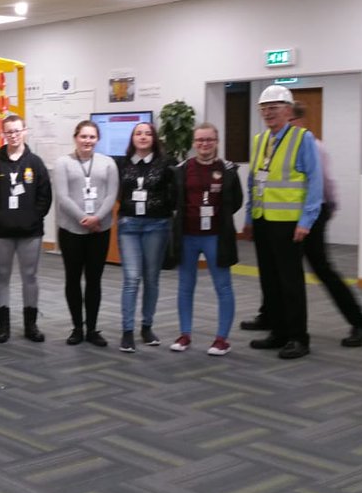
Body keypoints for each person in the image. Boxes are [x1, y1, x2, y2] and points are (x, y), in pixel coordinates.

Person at [288, 102, 362, 347]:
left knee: (322, 269)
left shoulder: (312, 146)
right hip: (294, 214)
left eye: (288, 121)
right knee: (284, 267)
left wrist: (328, 207)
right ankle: (273, 317)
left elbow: (324, 182)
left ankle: (361, 323)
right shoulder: (286, 146)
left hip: (313, 213)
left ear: (297, 121)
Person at [245, 85, 323, 360]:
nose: (268, 113)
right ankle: (277, 332)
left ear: (288, 111)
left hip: (290, 222)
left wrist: (307, 219)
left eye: (274, 108)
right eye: (264, 109)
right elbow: (254, 180)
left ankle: (298, 338)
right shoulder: (259, 140)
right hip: (263, 219)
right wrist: (249, 217)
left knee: (290, 282)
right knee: (270, 280)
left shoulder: (303, 139)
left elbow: (315, 181)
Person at [169, 124, 242, 355]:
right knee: (185, 287)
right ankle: (185, 334)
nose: (204, 144)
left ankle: (222, 339)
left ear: (216, 141)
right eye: (200, 140)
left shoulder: (228, 169)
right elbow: (174, 199)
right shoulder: (182, 169)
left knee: (223, 286)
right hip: (188, 236)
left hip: (216, 237)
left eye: (209, 140)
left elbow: (236, 201)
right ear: (193, 143)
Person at [0, 113, 53, 344]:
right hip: (1, 232)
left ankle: (31, 325)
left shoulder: (36, 163)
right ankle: (3, 326)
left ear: (25, 131)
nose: (13, 135)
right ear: (3, 134)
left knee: (29, 276)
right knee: (1, 276)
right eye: (8, 132)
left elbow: (45, 196)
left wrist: (33, 217)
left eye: (17, 131)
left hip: (30, 232)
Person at [53, 120, 117, 347]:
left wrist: (97, 218)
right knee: (72, 279)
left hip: (100, 230)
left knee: (94, 280)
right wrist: (85, 219)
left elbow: (111, 195)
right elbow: (63, 196)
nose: (87, 141)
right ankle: (77, 328)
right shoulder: (63, 163)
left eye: (92, 137)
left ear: (97, 139)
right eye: (83, 136)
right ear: (75, 138)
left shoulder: (108, 163)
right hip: (71, 230)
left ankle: (92, 328)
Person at [115, 122, 176, 353]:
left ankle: (147, 326)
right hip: (128, 225)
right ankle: (127, 330)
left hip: (156, 226)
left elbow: (174, 192)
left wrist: (166, 212)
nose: (143, 137)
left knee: (151, 278)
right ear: (132, 138)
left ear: (154, 138)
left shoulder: (166, 163)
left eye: (147, 133)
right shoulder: (121, 163)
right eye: (138, 133)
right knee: (131, 278)